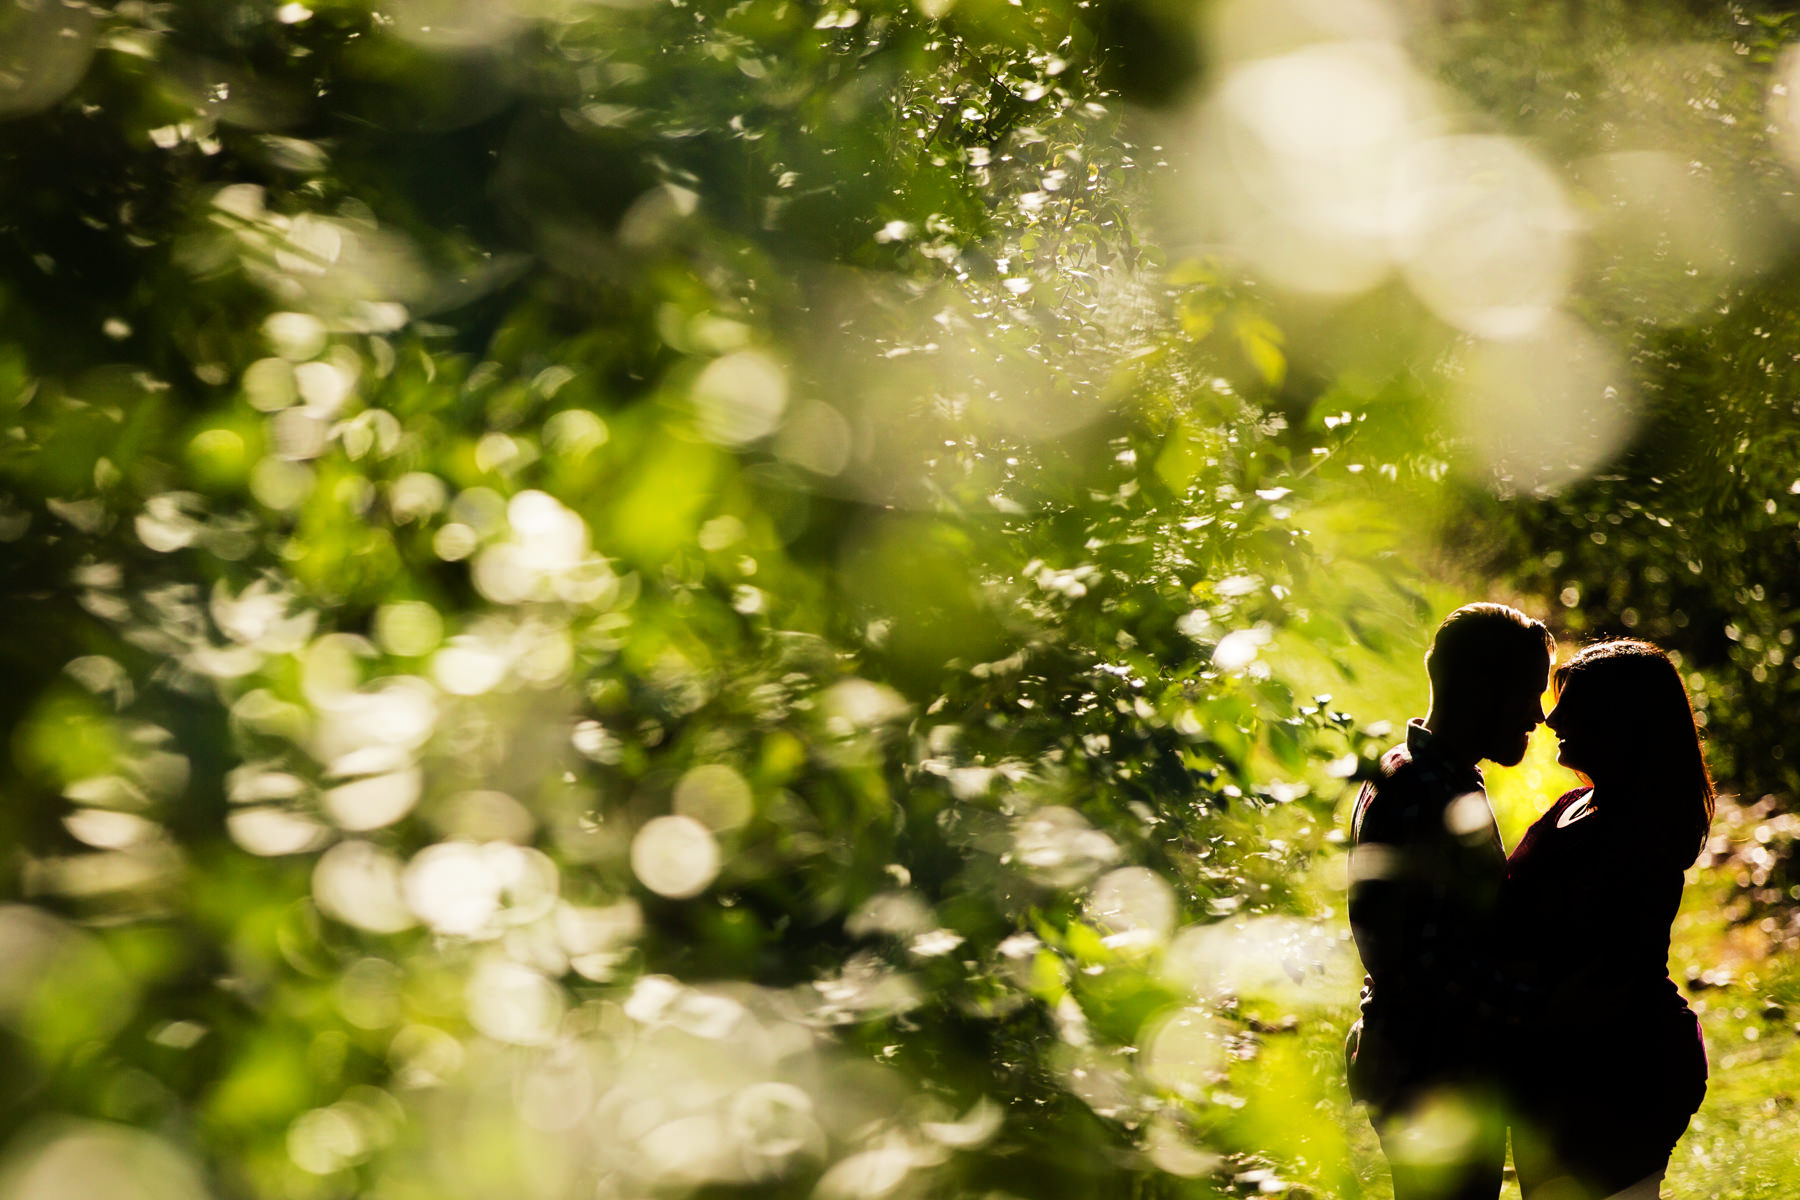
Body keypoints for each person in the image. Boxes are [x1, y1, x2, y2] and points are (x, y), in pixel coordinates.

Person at [1346, 603, 1554, 1200]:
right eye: (1526, 694)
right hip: (1434, 1070)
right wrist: (1546, 1006)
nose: (1538, 717)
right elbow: (1425, 963)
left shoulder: (1426, 772)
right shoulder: (1423, 790)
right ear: (1480, 687)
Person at [1502, 639, 1713, 1200]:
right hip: (1562, 1070)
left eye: (1574, 705)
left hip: (1616, 1070)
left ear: (1622, 721)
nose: (1551, 718)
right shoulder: (1577, 803)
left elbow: (1606, 972)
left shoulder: (1639, 832)